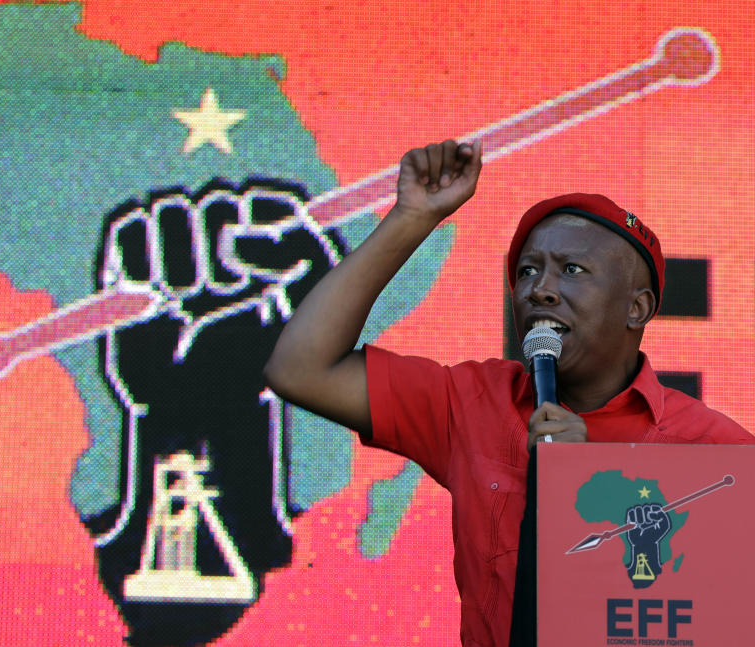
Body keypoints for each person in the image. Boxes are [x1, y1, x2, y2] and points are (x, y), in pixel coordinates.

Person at [263, 140, 754, 647]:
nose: (539, 288)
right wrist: (411, 217)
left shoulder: (719, 455)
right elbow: (301, 368)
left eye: (572, 270)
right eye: (526, 271)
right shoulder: (475, 401)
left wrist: (593, 485)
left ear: (637, 308)